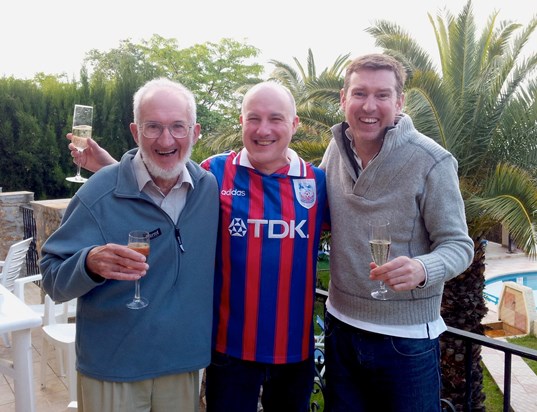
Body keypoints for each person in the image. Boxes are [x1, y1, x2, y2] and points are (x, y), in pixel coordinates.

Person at [68, 81, 328, 412]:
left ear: (294, 124)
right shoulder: (215, 173)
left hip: (296, 353)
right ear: (241, 121)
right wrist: (112, 168)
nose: (264, 129)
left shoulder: (316, 182)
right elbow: (161, 179)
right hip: (228, 353)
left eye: (276, 119)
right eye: (253, 118)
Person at [41, 78, 219, 412]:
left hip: (181, 365)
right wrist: (89, 263)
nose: (166, 139)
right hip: (113, 368)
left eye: (178, 127)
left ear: (194, 132)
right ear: (135, 133)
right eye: (153, 127)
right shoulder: (98, 193)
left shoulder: (208, 189)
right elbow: (51, 276)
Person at [319, 53, 474, 412]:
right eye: (359, 93)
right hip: (340, 325)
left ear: (400, 102)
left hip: (405, 342)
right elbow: (315, 208)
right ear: (343, 98)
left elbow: (458, 245)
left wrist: (422, 269)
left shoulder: (432, 161)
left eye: (382, 95)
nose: (369, 106)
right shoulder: (335, 150)